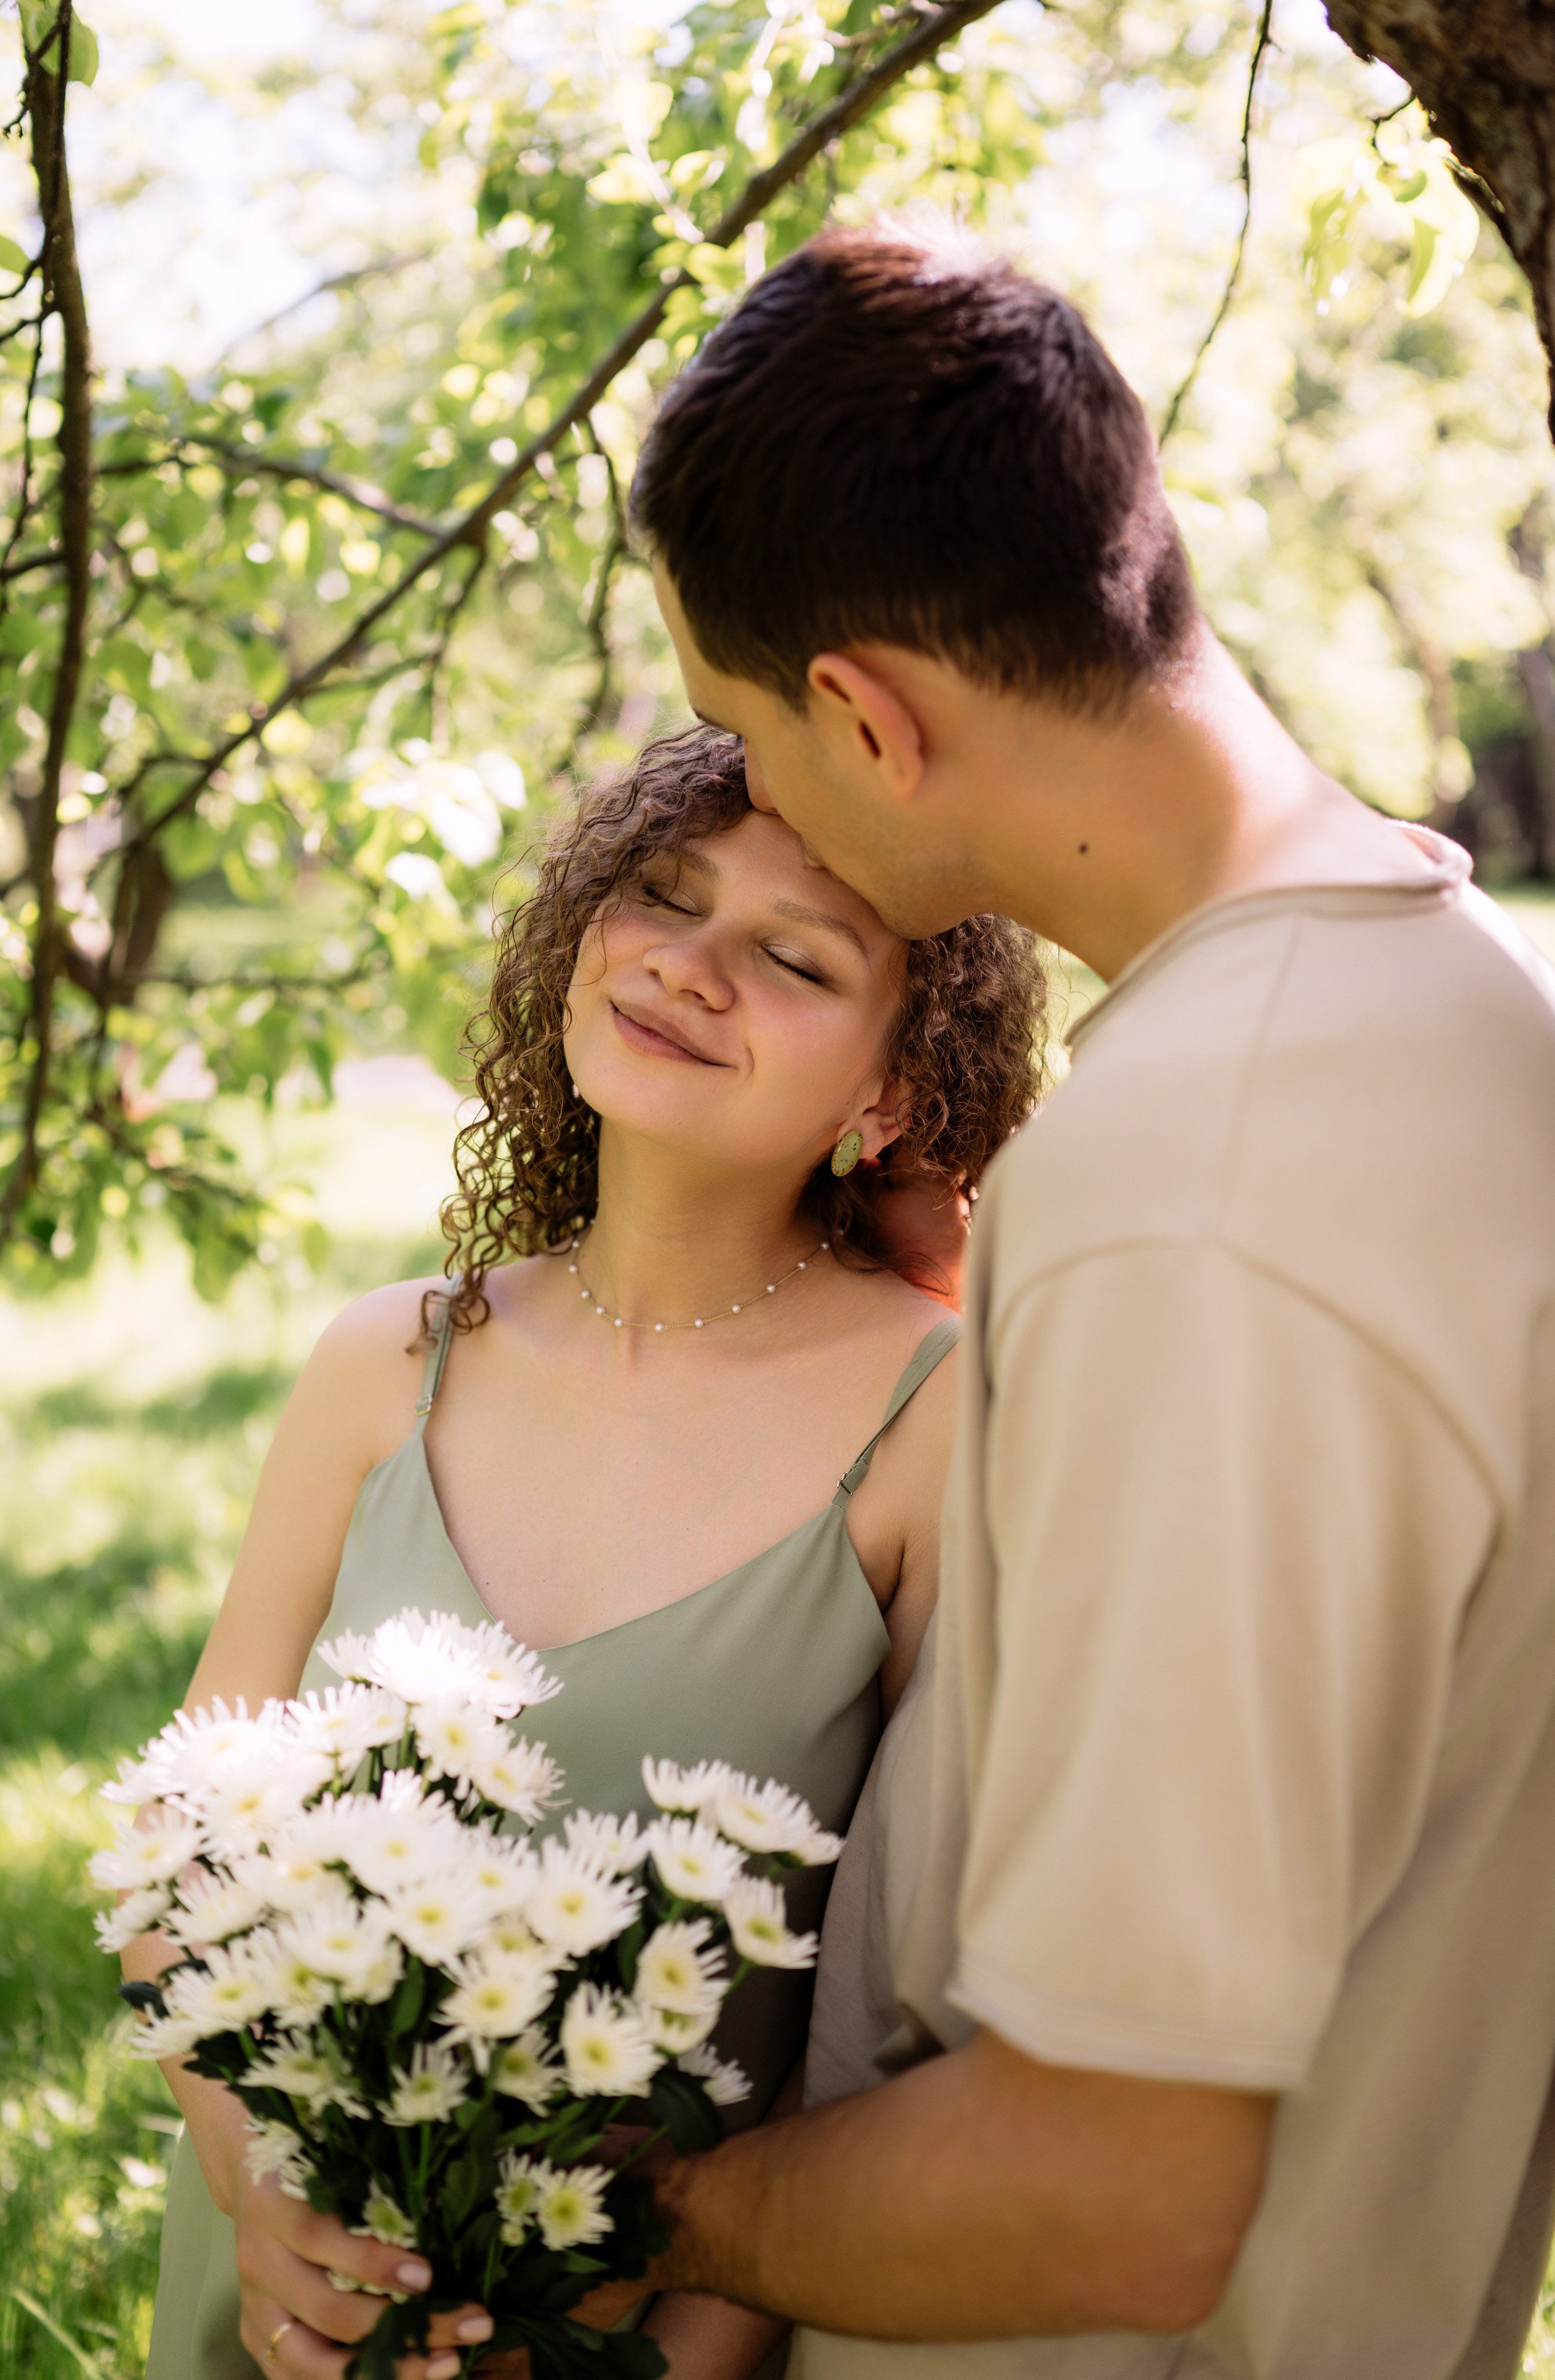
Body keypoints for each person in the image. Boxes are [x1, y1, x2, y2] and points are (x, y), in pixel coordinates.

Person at [611, 223, 1555, 2378]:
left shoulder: (1201, 1193)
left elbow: (1110, 2192)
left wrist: (647, 2204)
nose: (758, 792)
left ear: (862, 710)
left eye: (744, 731)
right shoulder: (1443, 997)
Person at [125, 725, 1046, 2380]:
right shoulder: (383, 1363)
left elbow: (885, 2015)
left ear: (891, 1087)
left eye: (789, 956)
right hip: (290, 2289)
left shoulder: (938, 1421)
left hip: (651, 2329)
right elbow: (180, 1836)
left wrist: (695, 2346)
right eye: (662, 897)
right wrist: (251, 2187)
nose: (689, 969)